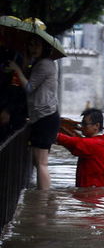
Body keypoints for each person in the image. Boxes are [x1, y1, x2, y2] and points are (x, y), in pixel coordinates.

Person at [8, 36, 60, 190]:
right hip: (42, 117)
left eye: (37, 45)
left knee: (41, 162)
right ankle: (40, 199)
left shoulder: (45, 64)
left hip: (45, 117)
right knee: (38, 162)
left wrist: (17, 70)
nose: (33, 49)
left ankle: (42, 201)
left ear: (45, 47)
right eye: (31, 45)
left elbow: (29, 87)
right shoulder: (39, 63)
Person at [56, 108, 104, 187]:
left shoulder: (94, 144)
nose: (81, 127)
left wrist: (54, 134)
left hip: (90, 194)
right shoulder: (103, 142)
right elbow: (73, 145)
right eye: (82, 123)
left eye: (85, 124)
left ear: (96, 126)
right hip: (97, 192)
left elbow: (71, 142)